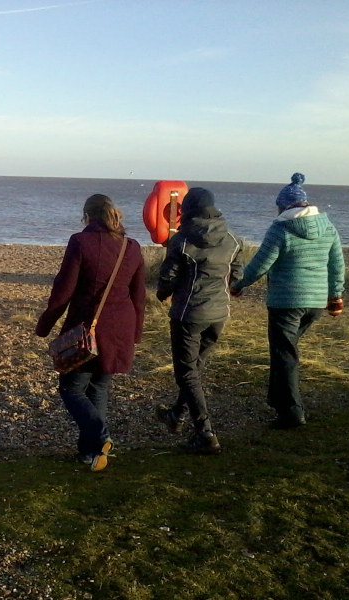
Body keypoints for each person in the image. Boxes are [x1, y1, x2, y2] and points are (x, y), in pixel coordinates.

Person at [36, 194, 146, 472]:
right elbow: (139, 295)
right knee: (99, 387)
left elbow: (63, 290)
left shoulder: (80, 242)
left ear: (87, 216)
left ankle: (99, 435)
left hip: (87, 327)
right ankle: (91, 454)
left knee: (71, 388)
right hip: (121, 326)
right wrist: (136, 334)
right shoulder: (131, 246)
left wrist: (45, 325)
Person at [230, 173, 345, 429]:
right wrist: (335, 296)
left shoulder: (280, 229)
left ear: (284, 207)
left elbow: (261, 264)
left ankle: (291, 412)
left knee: (285, 354)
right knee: (287, 351)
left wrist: (238, 285)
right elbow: (337, 264)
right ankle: (277, 399)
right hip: (315, 303)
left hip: (286, 302)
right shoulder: (328, 227)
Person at [155, 187, 243, 454]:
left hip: (188, 315)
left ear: (188, 209)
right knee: (194, 369)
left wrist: (163, 292)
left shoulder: (182, 241)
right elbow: (237, 277)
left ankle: (205, 433)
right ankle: (176, 414)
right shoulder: (232, 240)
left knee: (187, 372)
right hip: (219, 314)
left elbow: (168, 277)